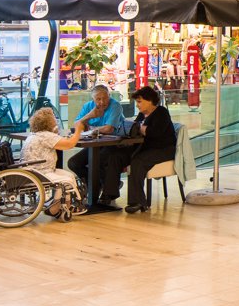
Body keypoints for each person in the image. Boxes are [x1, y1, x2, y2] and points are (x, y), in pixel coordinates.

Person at [67, 85, 128, 206]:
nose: (102, 102)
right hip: (95, 144)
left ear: (109, 96)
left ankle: (108, 190)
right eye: (98, 99)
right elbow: (76, 126)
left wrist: (92, 129)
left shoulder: (115, 106)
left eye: (105, 98)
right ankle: (97, 185)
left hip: (113, 144)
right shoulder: (88, 106)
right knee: (73, 163)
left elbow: (109, 128)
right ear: (93, 99)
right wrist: (89, 115)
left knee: (99, 160)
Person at [21, 107, 86, 217]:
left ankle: (62, 206)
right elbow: (69, 144)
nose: (56, 119)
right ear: (49, 122)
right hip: (41, 172)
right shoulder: (47, 136)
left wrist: (55, 133)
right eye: (54, 117)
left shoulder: (35, 135)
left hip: (32, 170)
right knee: (66, 180)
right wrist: (78, 131)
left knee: (69, 175)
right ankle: (57, 208)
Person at [124, 86, 177, 214]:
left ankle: (138, 202)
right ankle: (108, 194)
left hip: (164, 149)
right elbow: (135, 129)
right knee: (116, 155)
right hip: (148, 148)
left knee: (138, 161)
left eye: (139, 101)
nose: (137, 105)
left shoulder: (161, 112)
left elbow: (155, 133)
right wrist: (140, 128)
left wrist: (141, 128)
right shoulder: (142, 115)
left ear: (149, 100)